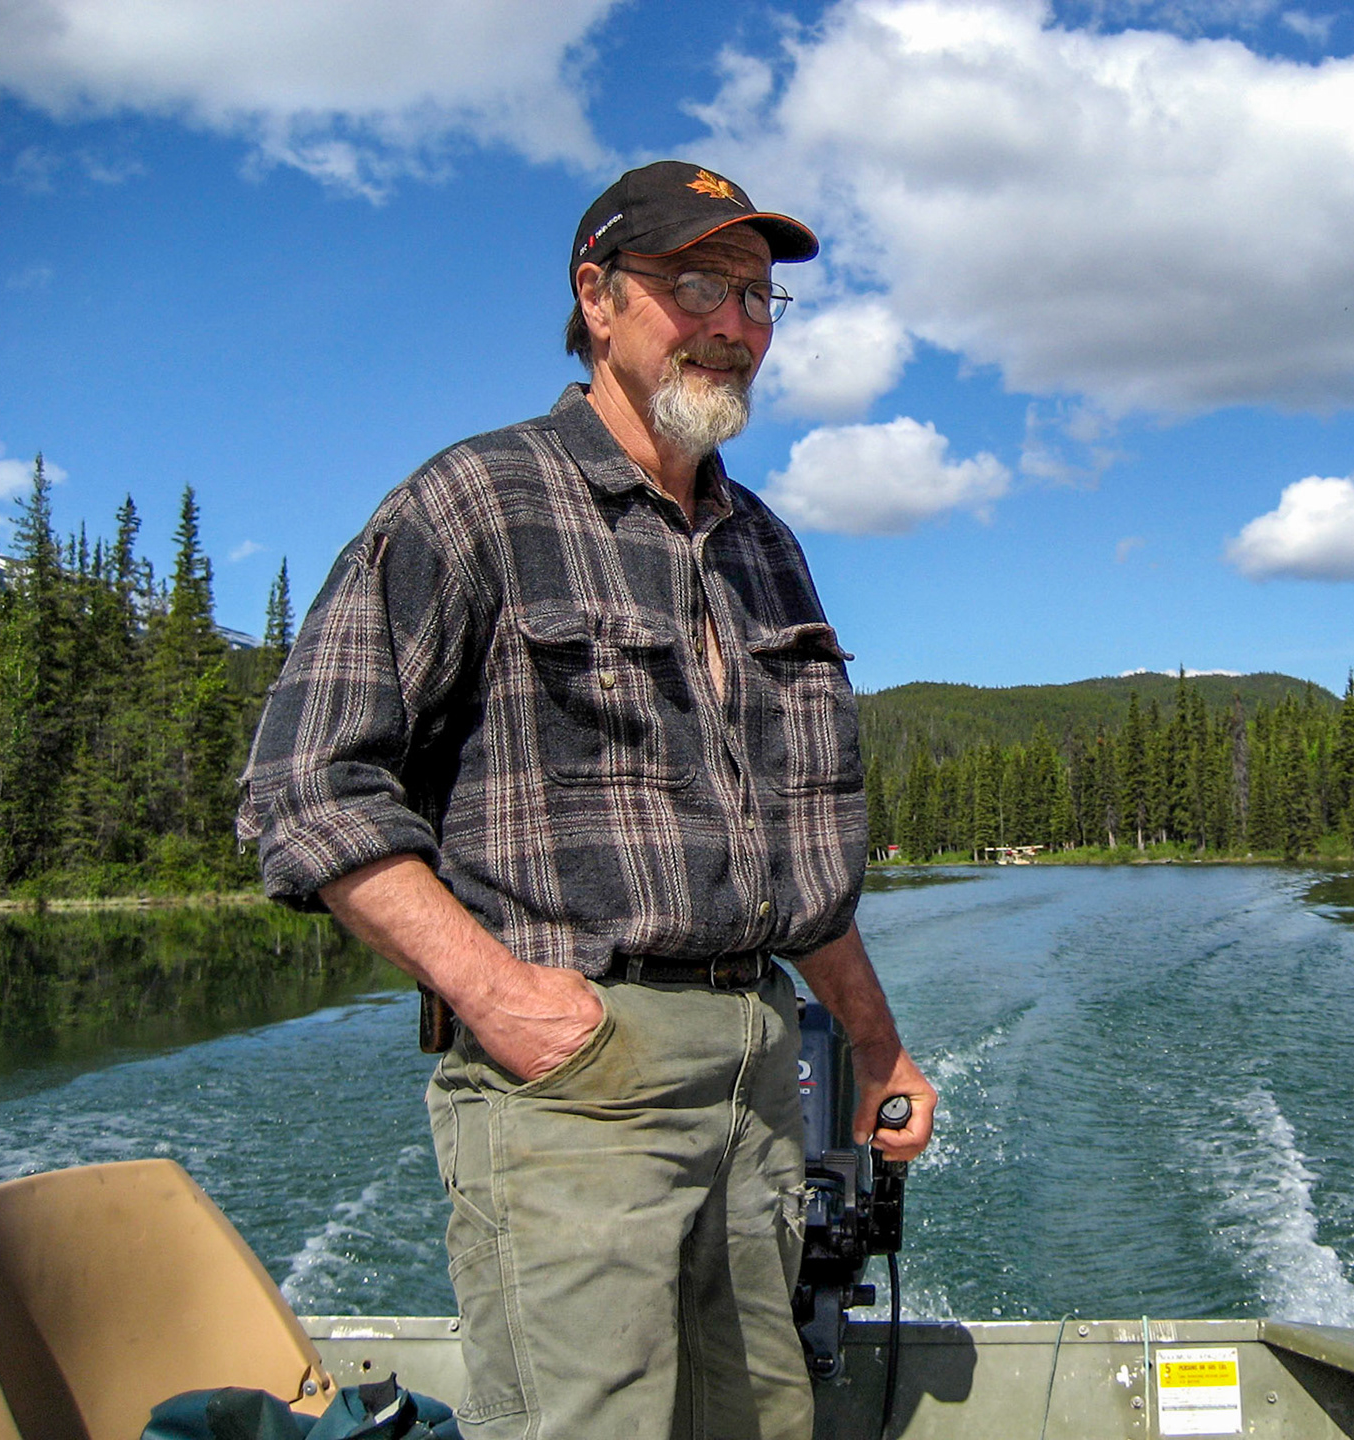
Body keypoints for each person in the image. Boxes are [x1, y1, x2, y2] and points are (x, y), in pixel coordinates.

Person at [238, 160, 937, 1440]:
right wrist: (502, 997)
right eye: (697, 287)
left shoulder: (765, 544)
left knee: (764, 1425)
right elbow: (305, 786)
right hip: (575, 1080)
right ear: (598, 298)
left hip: (759, 1074)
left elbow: (800, 858)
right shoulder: (476, 503)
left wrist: (875, 1046)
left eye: (760, 298)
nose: (736, 324)